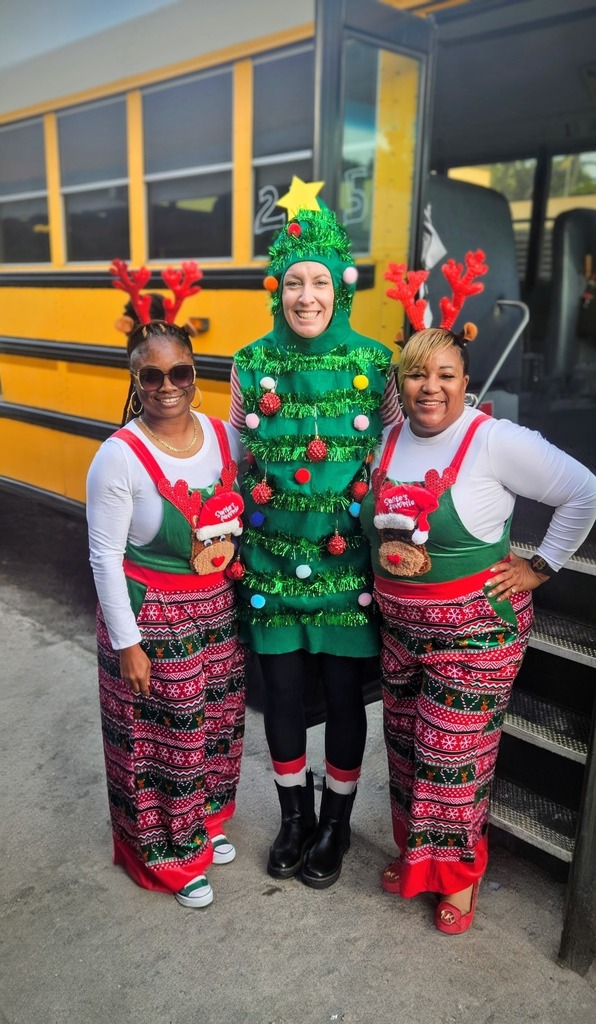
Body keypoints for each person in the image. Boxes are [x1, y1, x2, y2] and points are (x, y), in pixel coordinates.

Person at [360, 251, 596, 933]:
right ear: (400, 382)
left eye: (445, 374)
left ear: (466, 381)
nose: (429, 387)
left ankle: (458, 879)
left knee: (453, 760)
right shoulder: (388, 438)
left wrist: (540, 566)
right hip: (401, 634)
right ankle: (416, 857)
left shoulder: (496, 441)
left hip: (476, 635)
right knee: (405, 748)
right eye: (416, 374)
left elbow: (584, 492)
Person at [229, 177, 401, 888]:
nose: (307, 297)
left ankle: (337, 823)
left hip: (347, 567)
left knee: (342, 696)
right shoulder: (249, 364)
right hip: (271, 563)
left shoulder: (374, 364)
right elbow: (235, 459)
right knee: (282, 695)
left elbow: (398, 455)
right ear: (278, 289)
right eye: (295, 282)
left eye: (320, 282)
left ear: (341, 289)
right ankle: (294, 817)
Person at [86, 264, 246, 908]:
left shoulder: (226, 436)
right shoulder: (118, 456)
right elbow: (104, 557)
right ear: (135, 381)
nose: (167, 386)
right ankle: (169, 855)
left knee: (217, 721)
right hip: (153, 615)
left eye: (179, 372)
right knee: (165, 735)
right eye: (151, 376)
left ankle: (205, 823)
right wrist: (128, 644)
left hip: (217, 608)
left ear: (194, 373)